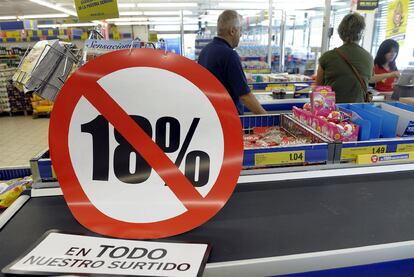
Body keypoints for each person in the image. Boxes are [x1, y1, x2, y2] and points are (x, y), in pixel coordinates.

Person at [198, 10, 266, 114]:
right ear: (232, 31)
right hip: (228, 118)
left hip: (211, 114)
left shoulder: (205, 50)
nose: (241, 34)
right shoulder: (230, 55)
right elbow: (245, 96)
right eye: (240, 30)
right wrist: (265, 116)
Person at [316, 13, 374, 103]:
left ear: (340, 31)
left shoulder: (327, 57)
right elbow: (368, 79)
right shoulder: (369, 58)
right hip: (358, 110)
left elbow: (318, 88)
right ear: (361, 32)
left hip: (332, 112)